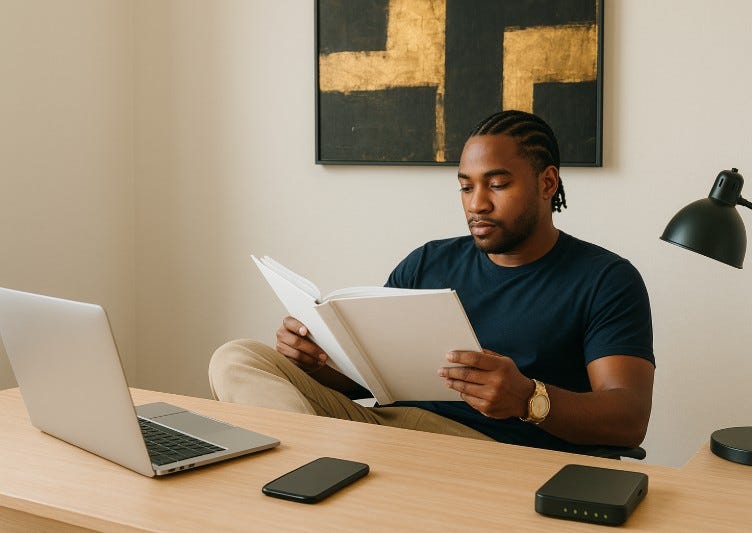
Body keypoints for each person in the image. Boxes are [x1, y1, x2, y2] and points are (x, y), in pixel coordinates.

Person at [209, 110, 655, 454]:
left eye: (497, 184)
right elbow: (370, 382)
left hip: (496, 453)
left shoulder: (605, 280)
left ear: (547, 182)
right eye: (466, 187)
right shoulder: (428, 262)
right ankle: (307, 466)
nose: (477, 203)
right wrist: (318, 361)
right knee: (237, 357)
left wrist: (527, 398)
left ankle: (311, 469)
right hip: (391, 434)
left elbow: (628, 417)